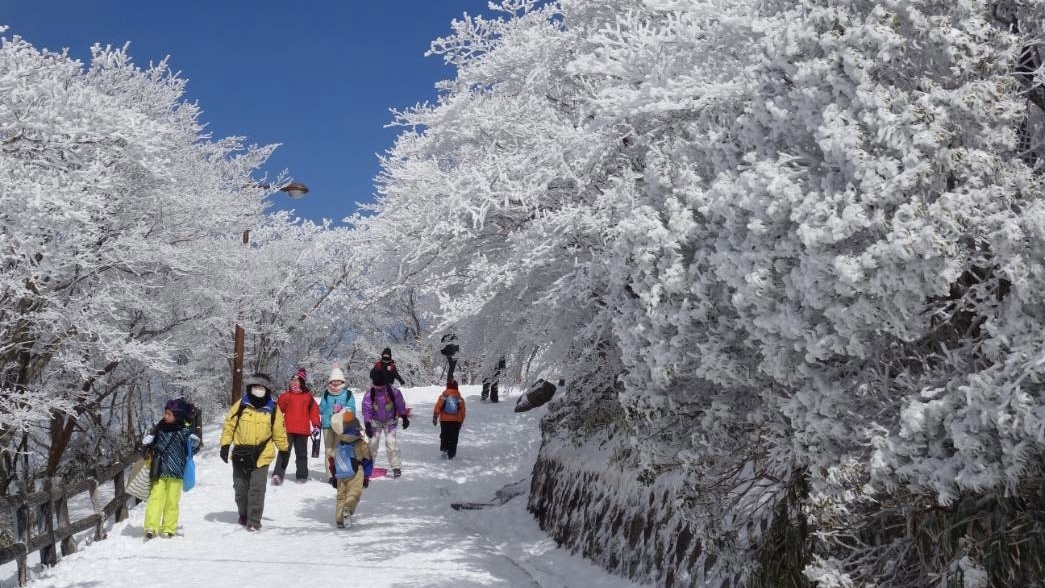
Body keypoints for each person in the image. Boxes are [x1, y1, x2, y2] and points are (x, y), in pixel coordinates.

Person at [218, 372, 289, 532]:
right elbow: (229, 426)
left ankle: (254, 521)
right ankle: (243, 514)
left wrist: (284, 451)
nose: (258, 389)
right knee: (240, 488)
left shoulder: (273, 409)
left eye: (261, 387)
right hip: (240, 454)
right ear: (250, 388)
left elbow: (279, 432)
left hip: (262, 456)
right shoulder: (241, 405)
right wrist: (224, 445)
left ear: (267, 389)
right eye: (255, 386)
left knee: (257, 489)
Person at [141, 398, 200, 538]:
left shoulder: (184, 431)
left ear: (177, 416)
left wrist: (194, 443)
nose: (165, 416)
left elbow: (192, 450)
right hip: (159, 469)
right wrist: (146, 444)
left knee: (172, 501)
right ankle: (151, 526)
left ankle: (169, 528)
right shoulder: (159, 428)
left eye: (169, 414)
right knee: (156, 498)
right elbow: (150, 446)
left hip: (176, 472)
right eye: (165, 413)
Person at [272, 367, 320, 485]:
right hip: (287, 429)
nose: (294, 382)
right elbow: (278, 411)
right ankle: (278, 474)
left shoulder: (308, 396)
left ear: (302, 382)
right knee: (284, 452)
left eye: (296, 380)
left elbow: (314, 412)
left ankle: (302, 476)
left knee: (301, 454)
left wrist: (316, 425)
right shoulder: (286, 395)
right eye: (292, 380)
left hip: (302, 431)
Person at [327, 408, 372, 528]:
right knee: (354, 493)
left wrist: (334, 475)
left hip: (341, 472)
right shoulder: (360, 443)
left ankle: (339, 520)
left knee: (341, 496)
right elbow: (368, 460)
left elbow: (332, 459)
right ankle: (348, 509)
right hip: (356, 472)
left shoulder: (340, 442)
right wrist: (366, 476)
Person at [361, 370, 410, 478]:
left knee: (391, 443)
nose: (378, 388)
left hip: (390, 421)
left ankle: (396, 467)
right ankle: (368, 467)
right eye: (376, 385)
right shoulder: (370, 393)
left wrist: (404, 417)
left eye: (381, 386)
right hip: (375, 421)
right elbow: (367, 409)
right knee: (372, 444)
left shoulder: (393, 392)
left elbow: (400, 404)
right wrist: (368, 425)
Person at [318, 366, 356, 459]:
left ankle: (339, 472)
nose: (335, 383)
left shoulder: (348, 394)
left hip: (341, 426)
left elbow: (352, 409)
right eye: (333, 381)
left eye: (338, 380)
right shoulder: (326, 394)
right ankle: (330, 474)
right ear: (330, 382)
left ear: (342, 381)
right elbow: (321, 409)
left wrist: (342, 409)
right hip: (327, 426)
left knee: (339, 450)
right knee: (328, 451)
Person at [432, 379, 466, 460]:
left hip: (444, 420)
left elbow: (438, 407)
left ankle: (444, 450)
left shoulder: (443, 397)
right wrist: (461, 421)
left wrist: (435, 416)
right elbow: (462, 411)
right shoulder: (460, 398)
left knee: (444, 435)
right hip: (456, 421)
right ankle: (452, 454)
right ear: (456, 387)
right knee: (454, 437)